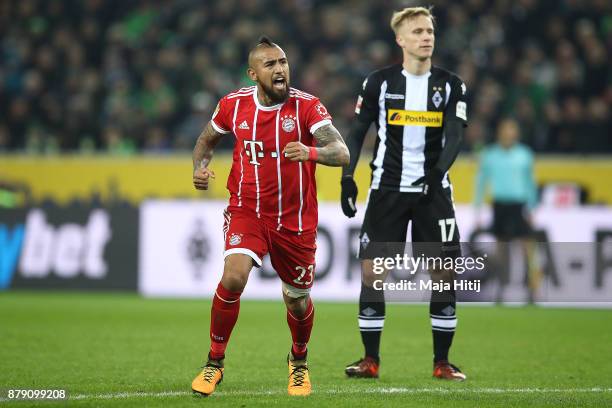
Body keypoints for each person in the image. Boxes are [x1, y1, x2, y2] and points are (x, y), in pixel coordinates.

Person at [190, 36, 349, 397]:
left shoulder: (307, 107)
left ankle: (298, 360)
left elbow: (341, 152)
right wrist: (200, 169)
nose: (280, 70)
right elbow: (205, 141)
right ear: (253, 73)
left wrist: (310, 152)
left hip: (295, 220)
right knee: (233, 277)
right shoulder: (233, 105)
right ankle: (214, 362)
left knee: (297, 300)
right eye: (270, 64)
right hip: (248, 210)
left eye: (283, 62)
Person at [340, 7, 467, 381]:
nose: (426, 37)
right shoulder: (378, 82)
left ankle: (442, 362)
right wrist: (348, 177)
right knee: (372, 274)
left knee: (443, 274)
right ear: (401, 40)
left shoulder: (451, 84)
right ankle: (370, 360)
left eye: (429, 31)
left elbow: (456, 136)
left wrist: (436, 174)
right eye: (417, 32)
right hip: (387, 191)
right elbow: (358, 130)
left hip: (434, 192)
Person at [474, 117, 539, 302]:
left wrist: (533, 208)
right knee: (501, 251)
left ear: (516, 133)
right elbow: (481, 182)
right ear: (499, 132)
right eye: (505, 129)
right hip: (500, 205)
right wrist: (478, 210)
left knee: (527, 249)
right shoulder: (490, 154)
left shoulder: (525, 154)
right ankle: (499, 291)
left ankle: (532, 292)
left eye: (512, 129)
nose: (508, 133)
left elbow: (530, 183)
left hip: (519, 206)